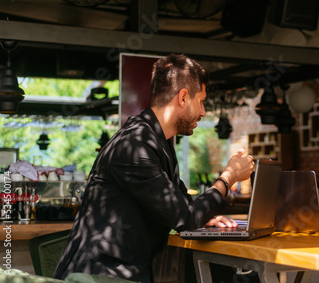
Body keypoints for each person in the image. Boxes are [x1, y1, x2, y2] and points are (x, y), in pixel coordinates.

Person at [54, 54, 255, 283]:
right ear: (183, 97)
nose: (203, 112)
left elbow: (181, 207)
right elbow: (185, 217)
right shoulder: (135, 145)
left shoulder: (157, 142)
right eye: (201, 101)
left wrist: (203, 216)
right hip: (98, 276)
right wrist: (228, 177)